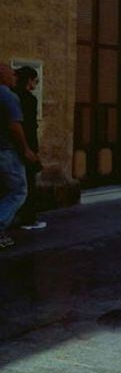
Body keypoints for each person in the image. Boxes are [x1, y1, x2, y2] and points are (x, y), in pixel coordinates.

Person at [0, 64, 37, 248]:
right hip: (6, 151)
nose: (14, 76)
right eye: (10, 73)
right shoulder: (7, 95)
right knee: (18, 191)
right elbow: (15, 126)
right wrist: (26, 150)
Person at [12, 66, 46, 229]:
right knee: (29, 183)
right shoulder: (30, 99)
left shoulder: (12, 95)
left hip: (12, 146)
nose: (36, 84)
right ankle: (28, 218)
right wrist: (32, 149)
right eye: (35, 80)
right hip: (26, 145)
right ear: (29, 80)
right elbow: (31, 127)